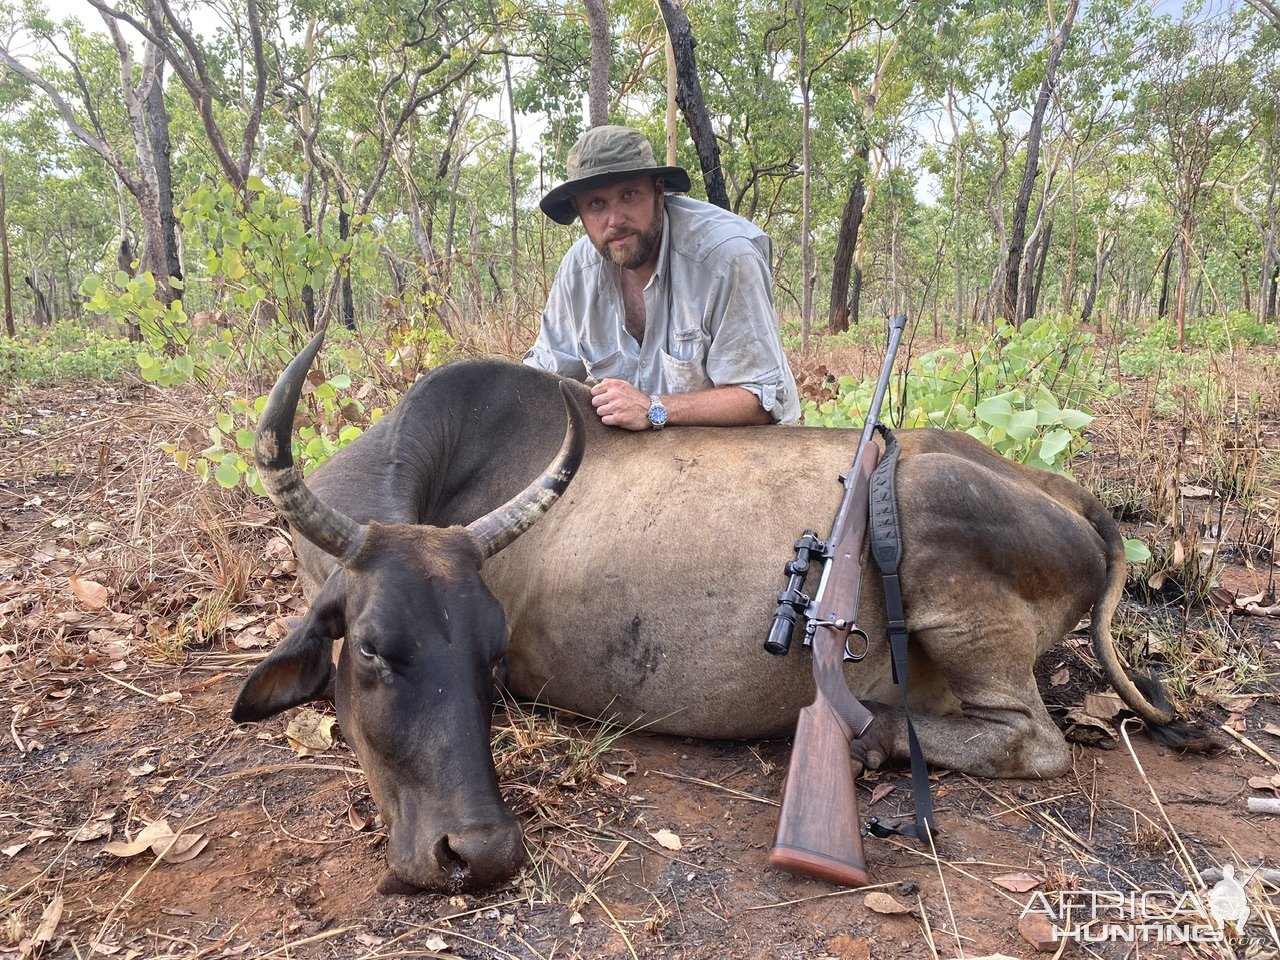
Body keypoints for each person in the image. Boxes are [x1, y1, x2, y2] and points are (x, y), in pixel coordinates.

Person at [525, 124, 800, 430]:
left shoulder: (725, 258)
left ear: (658, 192)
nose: (615, 221)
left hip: (738, 444)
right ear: (579, 210)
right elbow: (544, 373)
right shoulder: (578, 271)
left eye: (629, 195)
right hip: (644, 454)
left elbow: (760, 399)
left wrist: (653, 407)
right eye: (596, 204)